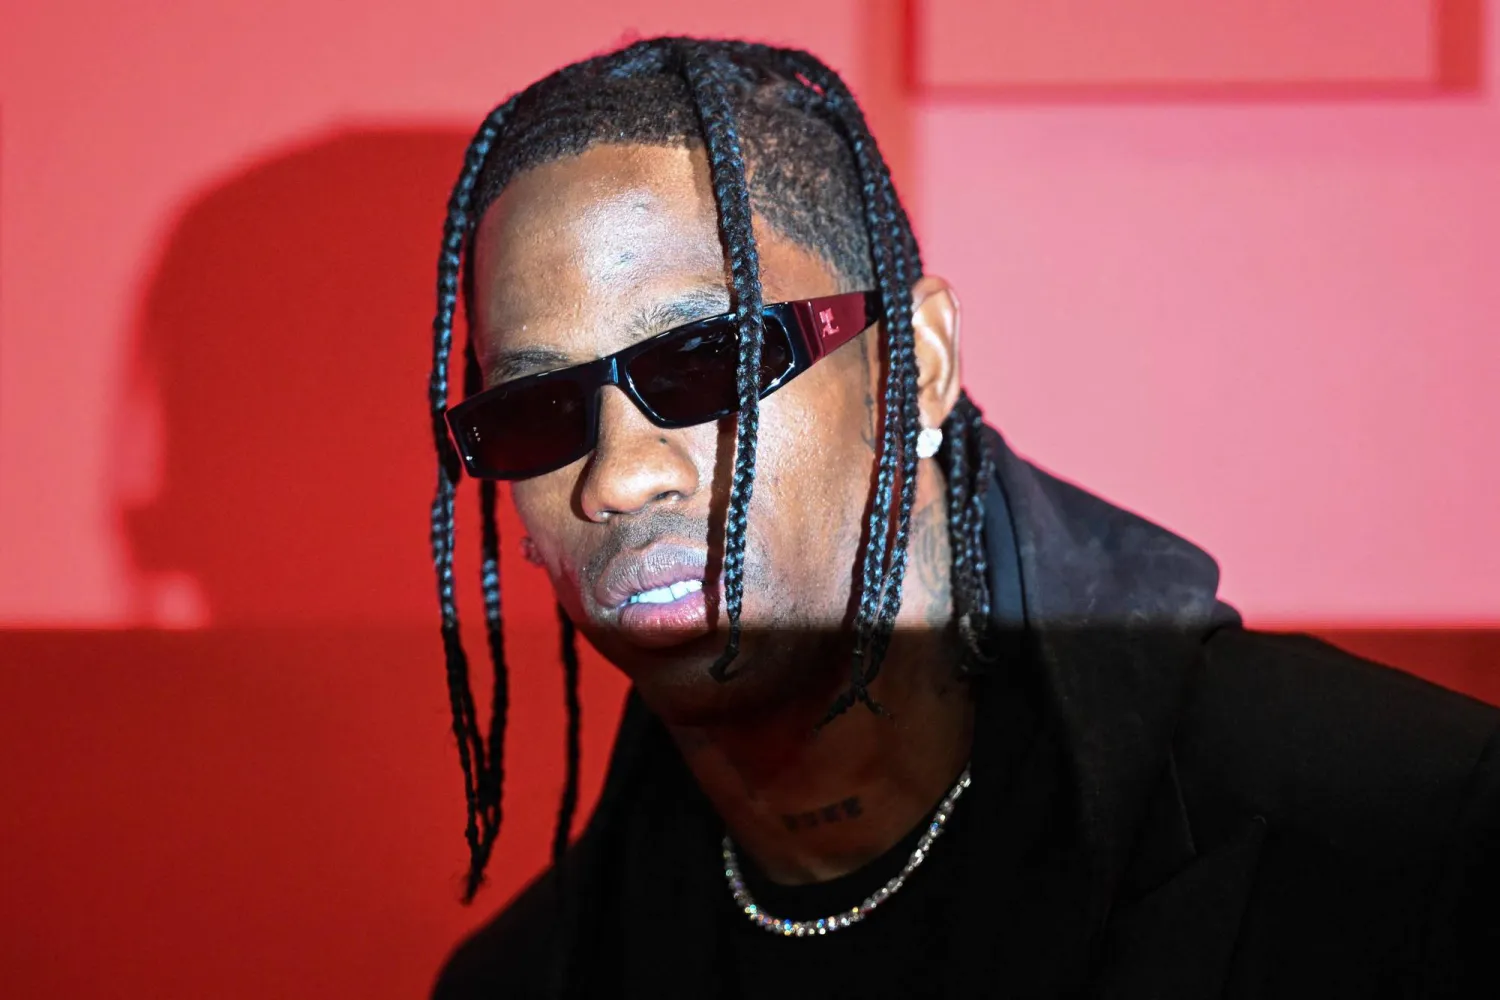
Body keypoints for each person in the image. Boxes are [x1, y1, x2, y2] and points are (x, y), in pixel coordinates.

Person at [423, 38, 1499, 998]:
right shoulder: (528, 977)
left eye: (711, 359)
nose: (615, 478)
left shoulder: (1408, 835)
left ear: (916, 365)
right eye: (537, 411)